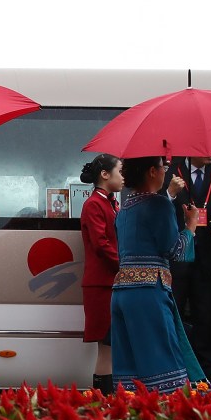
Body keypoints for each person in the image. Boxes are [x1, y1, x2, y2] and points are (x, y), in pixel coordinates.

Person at [111, 157, 208, 393]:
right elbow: (175, 250)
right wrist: (191, 227)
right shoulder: (159, 205)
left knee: (129, 371)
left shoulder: (124, 208)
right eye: (164, 168)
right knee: (162, 365)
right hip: (149, 293)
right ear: (153, 171)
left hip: (121, 294)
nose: (166, 172)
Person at [166, 156, 211, 378]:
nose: (210, 153)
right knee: (172, 313)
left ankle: (206, 371)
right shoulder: (171, 173)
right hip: (176, 258)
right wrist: (171, 192)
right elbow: (157, 206)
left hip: (206, 258)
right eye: (204, 148)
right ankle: (172, 367)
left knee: (205, 314)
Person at [78, 153, 123, 394]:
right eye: (120, 171)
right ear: (105, 175)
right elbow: (101, 244)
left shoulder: (110, 202)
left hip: (109, 282)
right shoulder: (94, 203)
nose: (124, 177)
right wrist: (124, 266)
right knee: (107, 346)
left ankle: (104, 397)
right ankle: (103, 398)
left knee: (111, 345)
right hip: (102, 283)